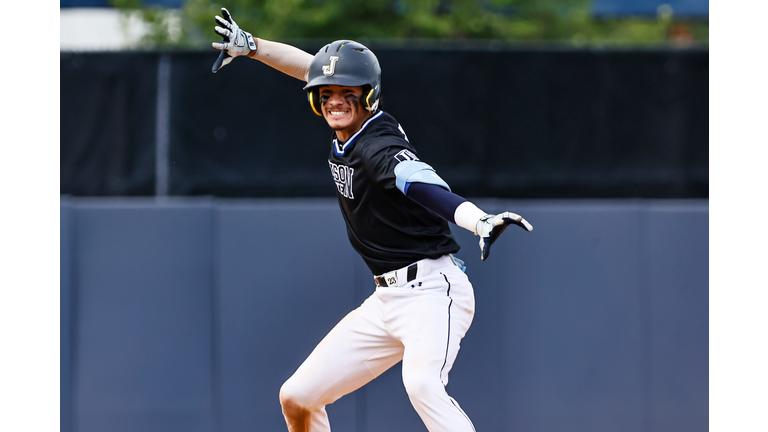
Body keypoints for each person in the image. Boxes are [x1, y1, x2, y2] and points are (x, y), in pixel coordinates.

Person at [212, 8, 533, 432]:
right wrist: (253, 47)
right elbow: (308, 67)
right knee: (298, 397)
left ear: (369, 96)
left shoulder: (377, 145)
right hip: (386, 302)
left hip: (433, 294)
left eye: (347, 93)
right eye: (326, 93)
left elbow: (423, 185)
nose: (335, 100)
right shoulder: (350, 124)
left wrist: (477, 221)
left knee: (423, 385)